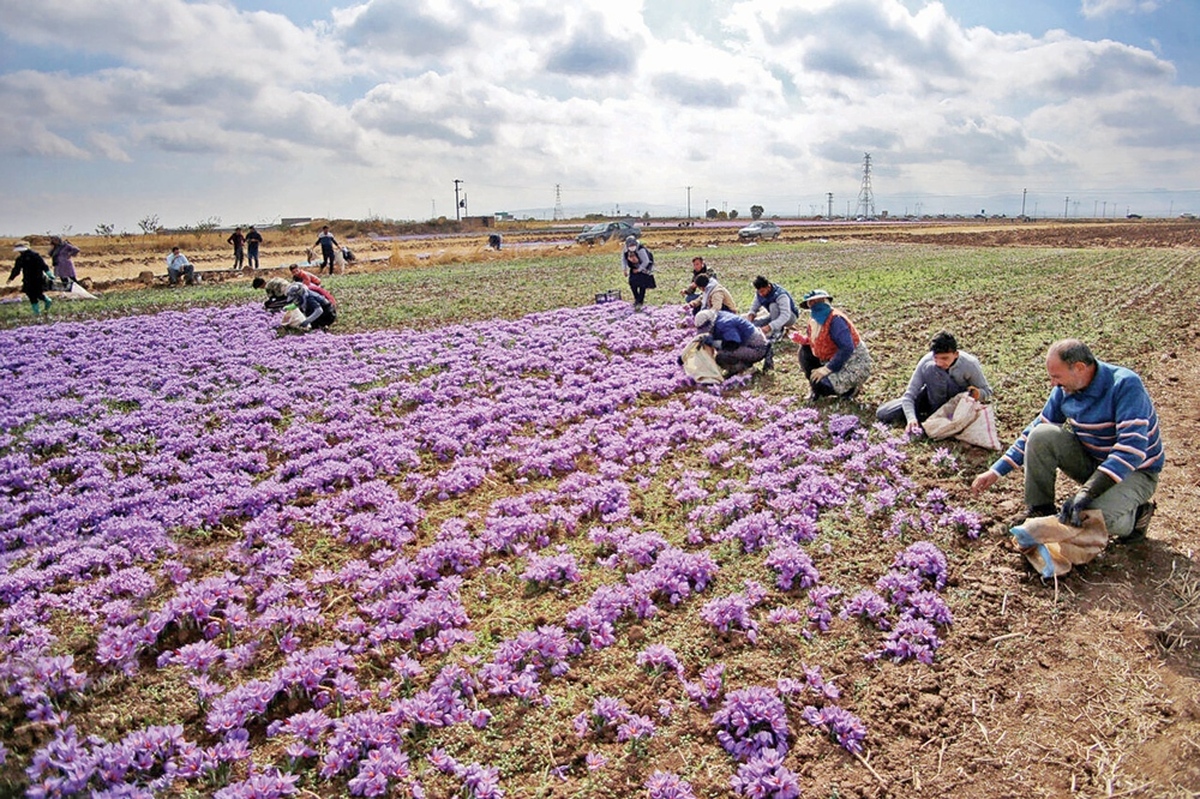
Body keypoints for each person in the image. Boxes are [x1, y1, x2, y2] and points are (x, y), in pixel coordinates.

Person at [971, 339, 1161, 542]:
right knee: (1042, 434)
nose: (1053, 383)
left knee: (1088, 518)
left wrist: (1087, 492)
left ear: (1079, 368)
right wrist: (996, 471)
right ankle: (1040, 508)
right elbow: (1037, 428)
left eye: (1056, 376)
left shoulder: (1124, 384)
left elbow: (1131, 449)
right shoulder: (1065, 389)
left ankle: (1136, 516)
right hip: (1094, 462)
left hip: (1136, 472)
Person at [877, 330, 994, 435]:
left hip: (956, 402)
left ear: (956, 354)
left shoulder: (969, 364)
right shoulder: (926, 361)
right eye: (936, 358)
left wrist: (976, 393)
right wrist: (911, 419)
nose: (939, 363)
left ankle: (936, 418)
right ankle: (929, 418)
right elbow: (909, 395)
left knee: (933, 370)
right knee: (884, 413)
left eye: (945, 358)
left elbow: (987, 391)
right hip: (932, 396)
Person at [794, 289, 871, 399]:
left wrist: (827, 369)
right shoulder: (814, 321)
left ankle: (849, 389)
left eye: (818, 301)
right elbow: (820, 340)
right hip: (830, 359)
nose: (815, 306)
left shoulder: (836, 320)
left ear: (826, 301)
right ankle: (816, 388)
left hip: (850, 363)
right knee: (805, 350)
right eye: (812, 303)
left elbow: (846, 347)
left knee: (821, 385)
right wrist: (805, 340)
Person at [694, 308, 769, 376]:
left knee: (721, 356)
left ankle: (747, 369)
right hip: (746, 344)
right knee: (721, 351)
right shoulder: (717, 316)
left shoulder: (724, 324)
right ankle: (740, 367)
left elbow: (733, 344)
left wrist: (713, 343)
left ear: (710, 323)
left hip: (757, 348)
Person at [745, 275, 798, 342]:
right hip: (775, 316)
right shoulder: (760, 294)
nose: (761, 294)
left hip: (789, 317)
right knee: (754, 325)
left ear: (768, 287)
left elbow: (785, 316)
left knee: (773, 306)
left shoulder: (781, 295)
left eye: (762, 291)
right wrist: (750, 318)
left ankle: (777, 333)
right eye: (759, 292)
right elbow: (753, 308)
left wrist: (770, 327)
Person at [7, 241, 52, 316]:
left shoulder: (34, 256)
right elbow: (17, 269)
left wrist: (49, 274)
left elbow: (43, 265)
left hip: (34, 279)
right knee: (33, 294)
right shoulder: (23, 258)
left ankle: (44, 304)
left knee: (34, 294)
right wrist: (11, 278)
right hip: (33, 279)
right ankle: (39, 310)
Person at [622, 235, 656, 311]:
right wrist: (624, 269)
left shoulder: (641, 249)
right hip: (633, 267)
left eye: (633, 245)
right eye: (630, 245)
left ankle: (640, 301)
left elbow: (646, 261)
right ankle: (637, 299)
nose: (632, 247)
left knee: (642, 285)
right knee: (632, 283)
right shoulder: (626, 249)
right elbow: (623, 259)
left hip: (644, 268)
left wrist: (639, 269)